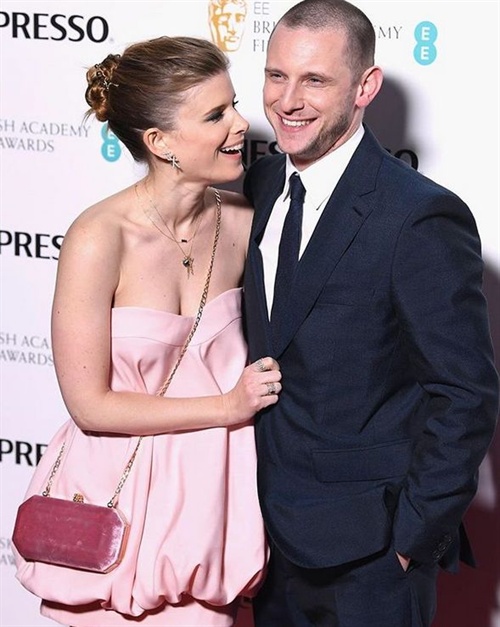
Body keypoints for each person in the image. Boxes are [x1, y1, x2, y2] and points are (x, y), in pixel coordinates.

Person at [242, 1, 499, 625]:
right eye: (277, 76)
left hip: (371, 555)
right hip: (265, 542)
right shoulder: (260, 184)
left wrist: (411, 539)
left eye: (315, 81)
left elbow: (465, 392)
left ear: (366, 87)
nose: (288, 100)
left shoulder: (417, 215)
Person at [13, 35, 282, 627]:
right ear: (158, 142)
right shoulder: (98, 237)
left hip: (210, 515)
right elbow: (91, 406)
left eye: (233, 105)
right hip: (118, 508)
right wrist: (226, 405)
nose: (241, 125)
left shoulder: (245, 223)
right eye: (216, 115)